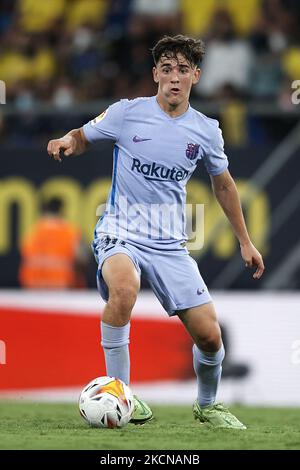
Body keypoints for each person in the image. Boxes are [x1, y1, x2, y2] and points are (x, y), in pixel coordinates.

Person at [47, 35, 265, 428]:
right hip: (120, 228)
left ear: (196, 76)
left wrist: (245, 241)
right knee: (124, 289)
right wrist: (67, 140)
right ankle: (123, 395)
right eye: (166, 69)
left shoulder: (206, 130)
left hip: (169, 242)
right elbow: (82, 137)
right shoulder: (127, 113)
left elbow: (224, 185)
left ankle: (207, 404)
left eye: (183, 70)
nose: (174, 78)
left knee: (210, 337)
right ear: (155, 75)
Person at [19, 197, 89, 289]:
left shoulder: (34, 230)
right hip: (60, 284)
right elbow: (82, 259)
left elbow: (24, 254)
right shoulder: (70, 232)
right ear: (61, 211)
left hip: (32, 285)